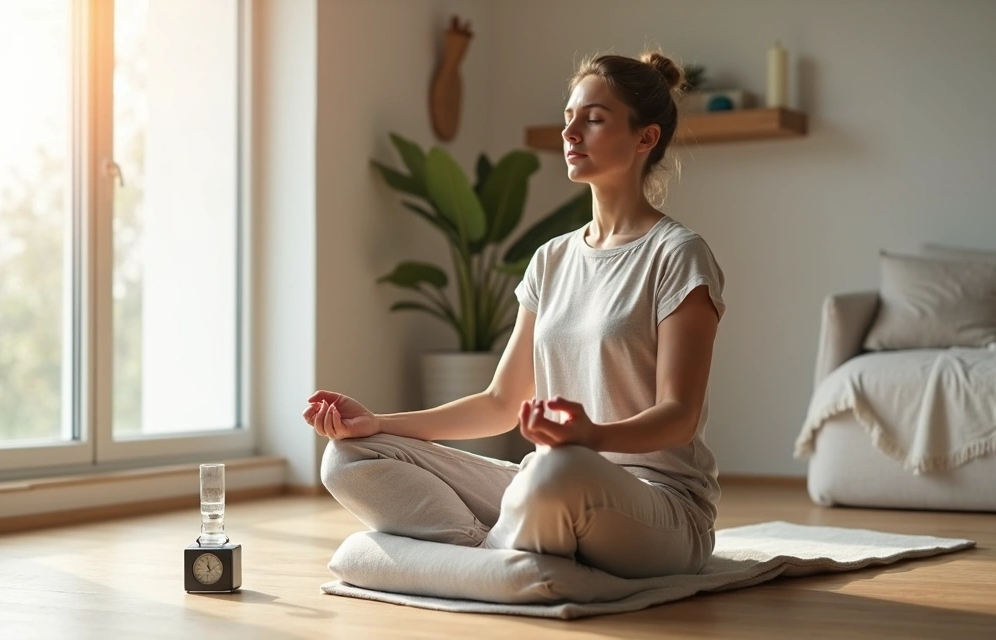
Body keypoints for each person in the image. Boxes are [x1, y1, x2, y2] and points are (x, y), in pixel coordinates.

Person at [303, 51, 725, 580]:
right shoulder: (551, 259)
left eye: (593, 120)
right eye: (569, 117)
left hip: (658, 507)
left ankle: (482, 561)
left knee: (558, 469)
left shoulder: (678, 254)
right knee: (348, 457)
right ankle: (483, 554)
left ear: (646, 139)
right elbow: (502, 403)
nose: (571, 132)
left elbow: (679, 415)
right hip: (547, 480)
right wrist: (379, 424)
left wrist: (587, 437)